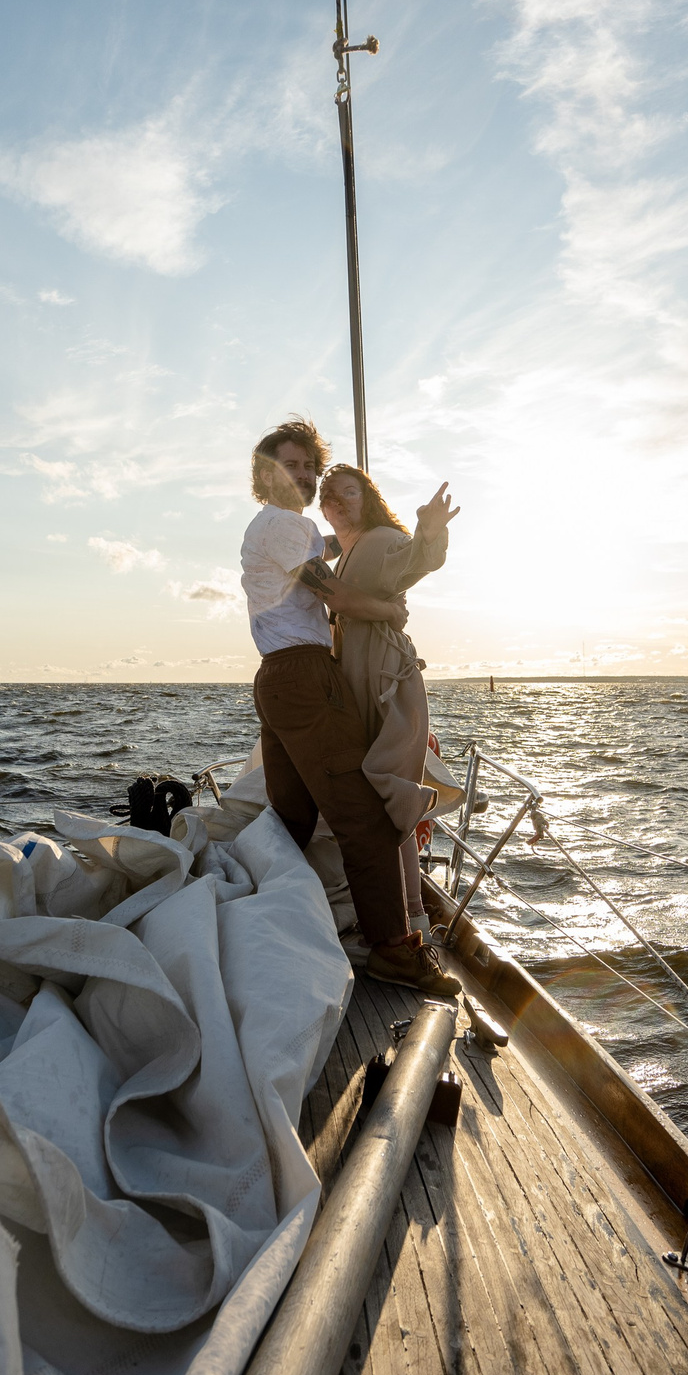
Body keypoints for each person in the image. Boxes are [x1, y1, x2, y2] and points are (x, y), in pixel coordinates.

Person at [240, 419, 459, 997]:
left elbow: (336, 551)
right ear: (267, 474)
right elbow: (328, 588)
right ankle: (391, 949)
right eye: (292, 466)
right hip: (307, 678)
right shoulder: (287, 523)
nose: (307, 476)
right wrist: (389, 613)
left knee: (293, 819)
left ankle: (263, 917)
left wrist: (391, 530)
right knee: (365, 818)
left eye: (311, 467)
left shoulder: (283, 529)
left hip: (276, 678)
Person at [316, 464, 458, 931]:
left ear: (367, 498)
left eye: (349, 492)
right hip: (359, 675)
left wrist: (428, 533)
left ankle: (411, 914)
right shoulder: (345, 551)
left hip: (383, 678)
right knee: (377, 792)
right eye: (330, 494)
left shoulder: (378, 540)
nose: (339, 500)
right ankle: (402, 911)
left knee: (387, 790)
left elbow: (413, 560)